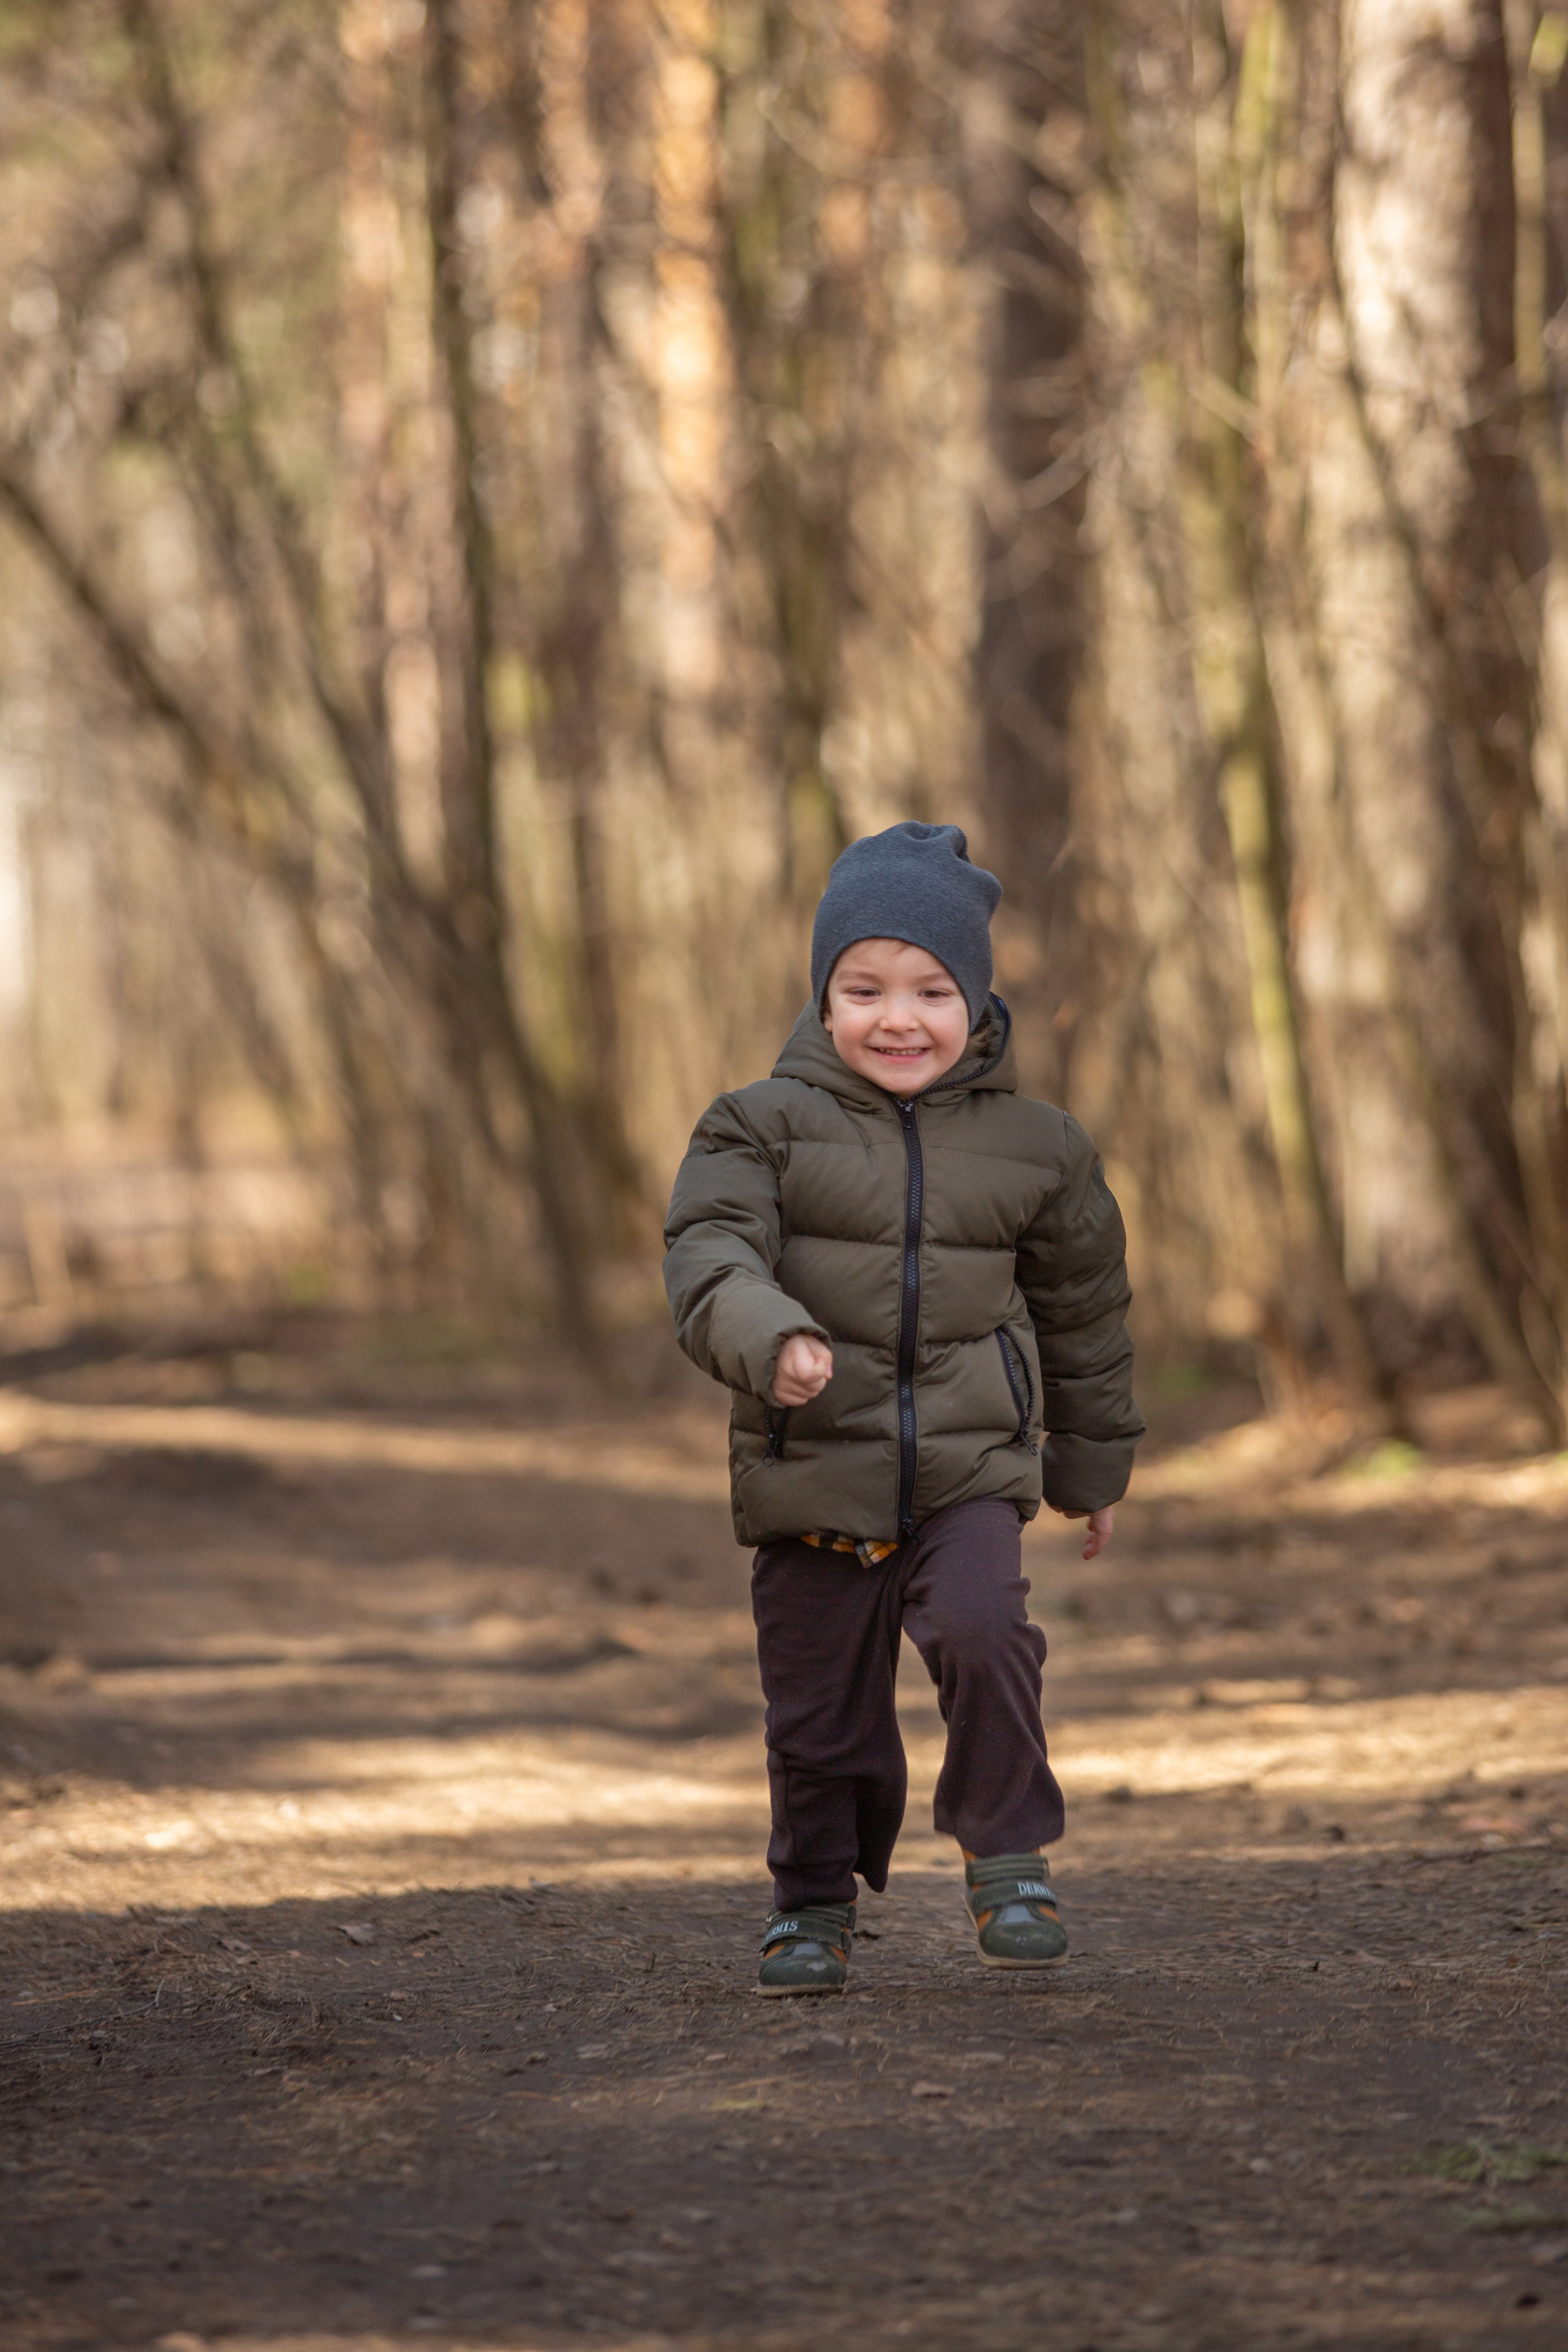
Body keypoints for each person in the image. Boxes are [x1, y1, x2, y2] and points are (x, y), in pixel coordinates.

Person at [663, 821, 1143, 1995]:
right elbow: (710, 1253)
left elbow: (1085, 1313)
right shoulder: (756, 1126)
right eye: (864, 986)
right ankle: (813, 1906)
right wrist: (767, 1337)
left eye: (933, 989)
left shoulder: (1040, 1149)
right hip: (812, 1464)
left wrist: (1088, 1472)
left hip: (971, 1470)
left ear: (977, 1005)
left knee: (986, 1632)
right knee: (819, 1716)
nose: (899, 1017)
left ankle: (1009, 1854)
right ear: (823, 1000)